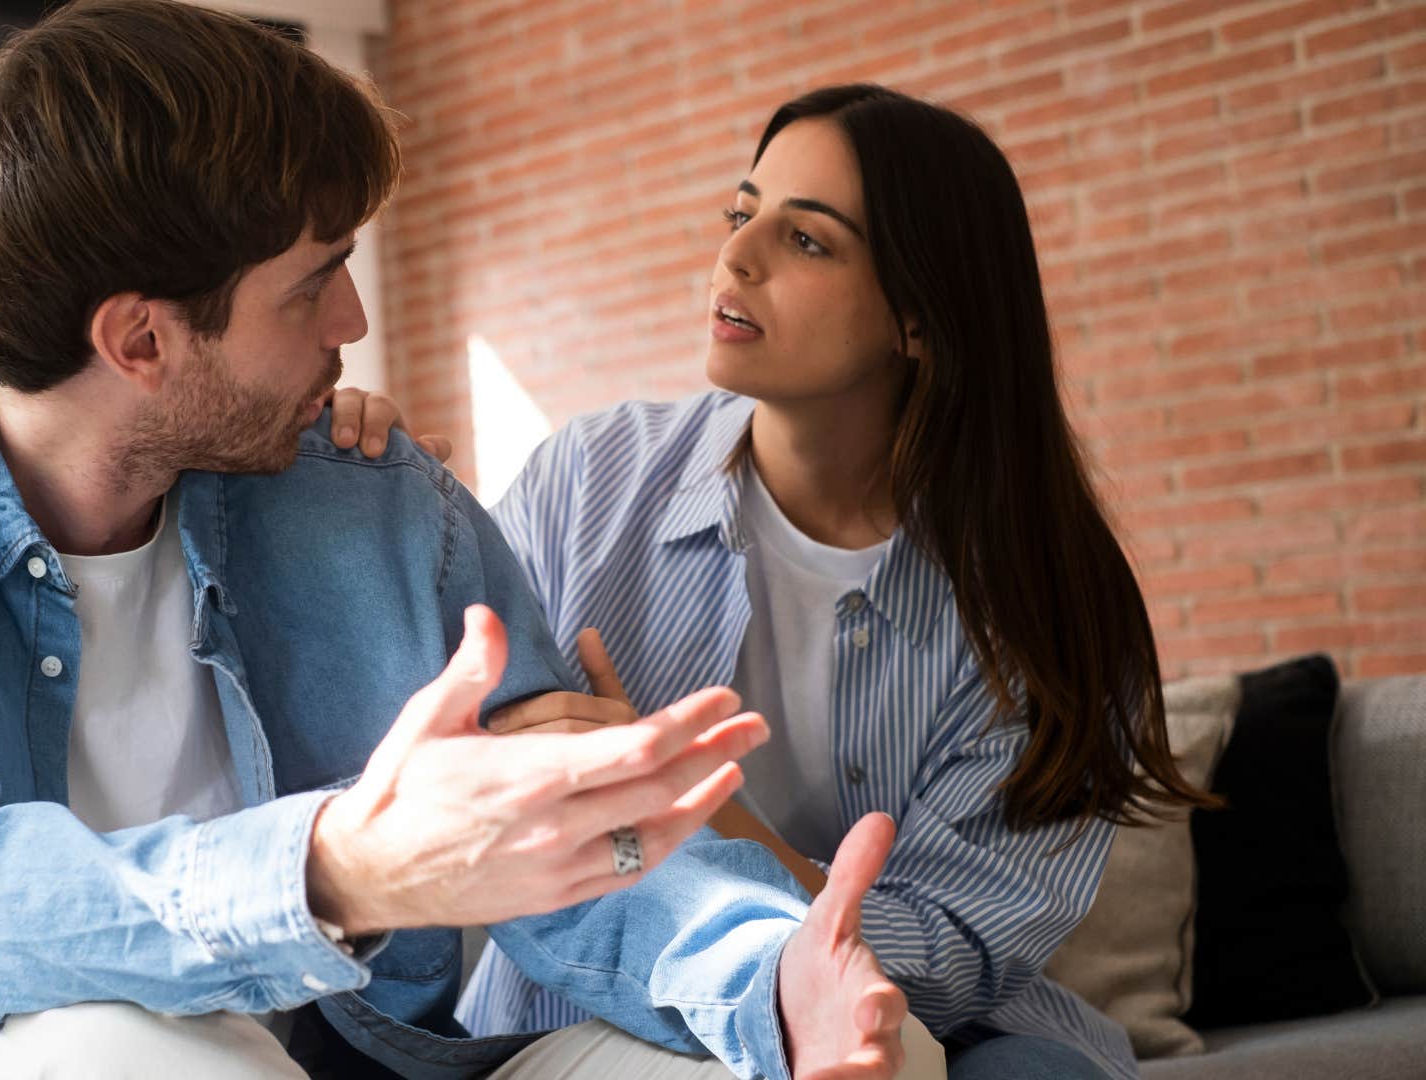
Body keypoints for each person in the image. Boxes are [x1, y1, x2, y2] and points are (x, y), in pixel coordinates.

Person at [0, 8, 919, 1079]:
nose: (357, 319)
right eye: (313, 282)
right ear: (142, 344)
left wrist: (769, 975)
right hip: (22, 1054)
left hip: (367, 1057)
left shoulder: (364, 489)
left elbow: (567, 842)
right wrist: (345, 869)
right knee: (132, 1050)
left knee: (847, 1046)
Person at [415, 84, 1215, 1080]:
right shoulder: (589, 481)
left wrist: (687, 802)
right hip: (590, 1005)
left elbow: (952, 959)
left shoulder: (1046, 603)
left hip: (927, 1026)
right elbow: (435, 773)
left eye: (807, 242)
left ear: (919, 318)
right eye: (742, 214)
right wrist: (372, 491)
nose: (735, 257)